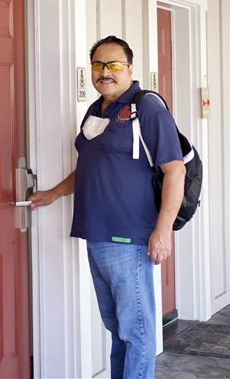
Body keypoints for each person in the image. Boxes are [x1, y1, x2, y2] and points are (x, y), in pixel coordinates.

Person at [28, 36, 186, 379]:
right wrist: (54, 193)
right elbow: (90, 166)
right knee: (118, 331)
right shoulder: (97, 108)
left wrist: (163, 231)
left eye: (114, 65)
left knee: (136, 331)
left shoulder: (147, 108)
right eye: (98, 65)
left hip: (129, 239)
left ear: (129, 68)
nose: (105, 72)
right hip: (95, 234)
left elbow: (175, 169)